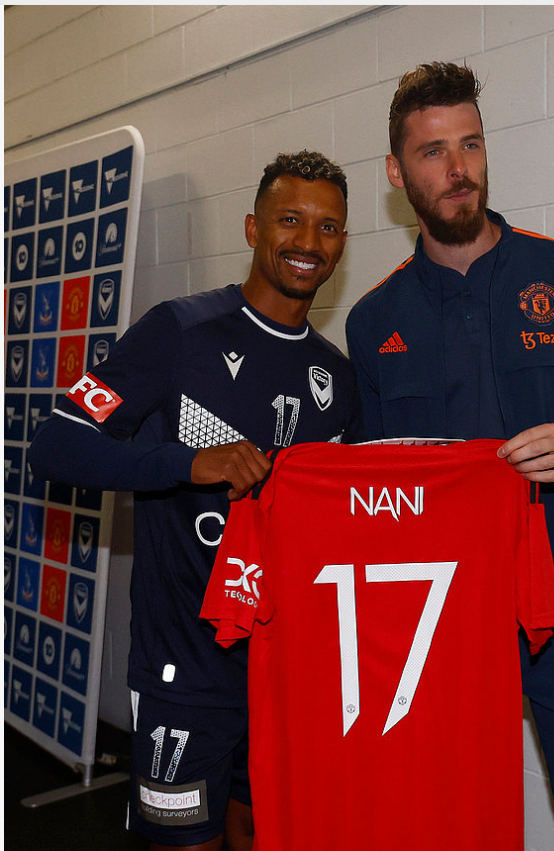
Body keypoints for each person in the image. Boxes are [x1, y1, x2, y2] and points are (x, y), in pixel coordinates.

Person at [345, 62, 554, 851]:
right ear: (395, 173)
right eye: (433, 151)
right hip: (439, 613)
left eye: (471, 145)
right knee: (445, 822)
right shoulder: (373, 319)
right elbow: (373, 484)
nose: (458, 169)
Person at [29, 150, 358, 851]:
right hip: (185, 672)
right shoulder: (177, 330)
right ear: (253, 228)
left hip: (286, 675)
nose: (308, 241)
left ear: (341, 244)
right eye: (290, 220)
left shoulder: (337, 376)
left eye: (328, 227)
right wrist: (186, 462)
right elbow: (55, 443)